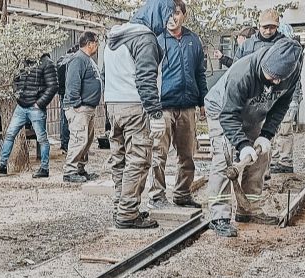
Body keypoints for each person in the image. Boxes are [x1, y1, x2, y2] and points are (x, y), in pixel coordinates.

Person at [204, 38, 303, 237]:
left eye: (279, 79)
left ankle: (247, 209)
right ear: (265, 64)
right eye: (271, 77)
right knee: (224, 158)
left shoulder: (291, 74)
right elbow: (228, 115)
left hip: (253, 112)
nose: (275, 82)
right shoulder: (242, 73)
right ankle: (218, 216)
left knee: (261, 157)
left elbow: (281, 106)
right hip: (221, 109)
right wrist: (242, 145)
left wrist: (266, 135)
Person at [103, 0, 174, 229]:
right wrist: (155, 114)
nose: (167, 22)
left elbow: (104, 75)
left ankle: (120, 207)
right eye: (166, 16)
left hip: (113, 105)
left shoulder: (114, 38)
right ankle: (128, 214)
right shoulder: (144, 39)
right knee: (139, 159)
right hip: (135, 106)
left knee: (120, 160)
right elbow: (145, 79)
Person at [147, 0, 207, 209]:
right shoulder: (156, 40)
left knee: (187, 154)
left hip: (188, 105)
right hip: (163, 107)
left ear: (184, 15)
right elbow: (148, 74)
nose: (173, 18)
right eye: (169, 14)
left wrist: (202, 102)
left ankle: (182, 194)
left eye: (177, 13)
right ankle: (156, 195)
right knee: (159, 153)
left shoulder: (193, 40)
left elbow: (200, 73)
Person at [0, 52, 58, 177]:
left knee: (42, 139)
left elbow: (53, 86)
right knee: (10, 134)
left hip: (35, 108)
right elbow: (15, 80)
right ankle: (2, 165)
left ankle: (44, 168)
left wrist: (39, 104)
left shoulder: (47, 63)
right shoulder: (22, 61)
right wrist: (18, 95)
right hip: (21, 106)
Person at [61, 32, 102, 182]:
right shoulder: (78, 59)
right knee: (78, 138)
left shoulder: (87, 59)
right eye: (96, 43)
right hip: (80, 108)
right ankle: (70, 171)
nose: (97, 46)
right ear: (90, 43)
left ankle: (80, 168)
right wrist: (77, 104)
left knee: (86, 140)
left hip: (88, 107)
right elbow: (72, 84)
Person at [270, 23, 303, 174]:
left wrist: (294, 100)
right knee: (275, 129)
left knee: (284, 130)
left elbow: (294, 80)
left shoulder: (292, 53)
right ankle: (276, 159)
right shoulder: (280, 51)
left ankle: (285, 162)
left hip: (288, 98)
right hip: (277, 97)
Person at [56, 44, 79, 154]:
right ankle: (69, 144)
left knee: (64, 118)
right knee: (74, 119)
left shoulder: (61, 59)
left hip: (62, 93)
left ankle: (64, 143)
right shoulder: (74, 60)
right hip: (72, 92)